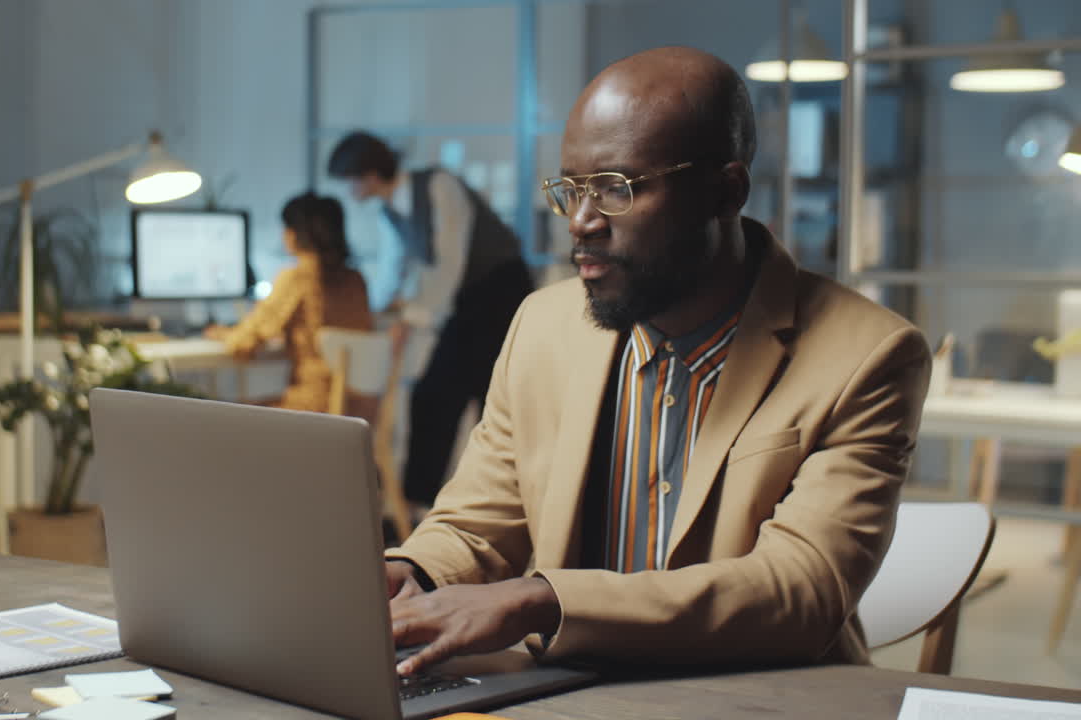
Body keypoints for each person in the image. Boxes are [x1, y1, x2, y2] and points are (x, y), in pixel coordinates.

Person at [381, 46, 932, 677]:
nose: (581, 223)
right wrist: (412, 572)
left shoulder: (867, 355)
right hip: (563, 695)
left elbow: (800, 589)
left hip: (755, 698)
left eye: (615, 189)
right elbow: (480, 520)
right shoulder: (543, 325)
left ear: (725, 192)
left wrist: (544, 600)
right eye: (571, 190)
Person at [327, 132, 535, 511]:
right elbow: (398, 269)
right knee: (440, 398)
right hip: (466, 303)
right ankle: (418, 505)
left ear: (370, 174)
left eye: (349, 179)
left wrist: (413, 316)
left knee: (478, 398)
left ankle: (465, 504)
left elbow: (450, 261)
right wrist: (377, 311)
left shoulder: (438, 184)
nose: (348, 189)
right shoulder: (390, 210)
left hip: (499, 291)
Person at [205, 192, 372, 413]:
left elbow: (244, 343)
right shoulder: (356, 280)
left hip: (316, 407)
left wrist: (221, 333)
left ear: (295, 234)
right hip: (360, 407)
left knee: (225, 413)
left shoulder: (297, 278)